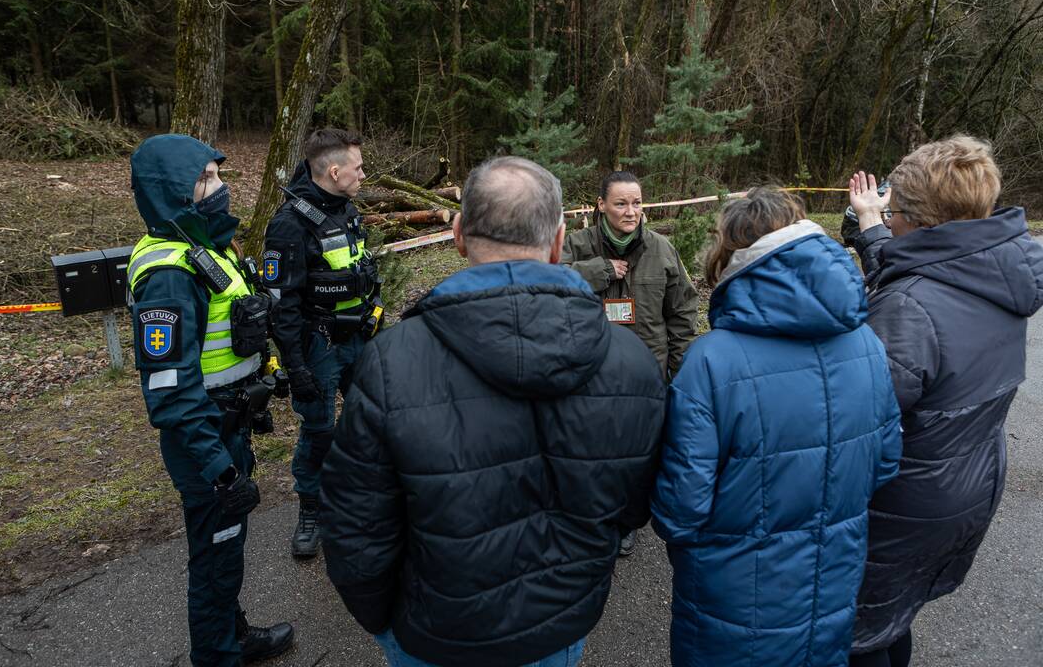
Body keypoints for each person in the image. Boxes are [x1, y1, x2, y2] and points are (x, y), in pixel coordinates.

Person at [318, 156, 666, 667]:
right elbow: (634, 505)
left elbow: (354, 523)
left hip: (436, 631)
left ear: (458, 233)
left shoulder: (391, 360)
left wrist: (384, 622)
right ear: (557, 240)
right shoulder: (631, 361)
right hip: (560, 620)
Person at [652, 187, 903, 667]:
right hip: (832, 580)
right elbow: (886, 463)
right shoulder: (868, 344)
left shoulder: (710, 362)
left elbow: (681, 510)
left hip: (731, 598)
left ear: (731, 255)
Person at [846, 135, 1043, 667]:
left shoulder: (909, 309)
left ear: (917, 219)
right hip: (967, 479)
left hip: (904, 499)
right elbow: (924, 269)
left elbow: (854, 422)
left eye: (897, 212)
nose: (890, 221)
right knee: (896, 614)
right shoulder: (995, 267)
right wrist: (867, 227)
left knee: (858, 630)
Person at [127, 134, 294, 666]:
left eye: (220, 176)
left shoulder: (206, 247)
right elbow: (170, 391)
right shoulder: (170, 276)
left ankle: (232, 633)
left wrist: (269, 373)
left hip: (229, 426)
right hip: (205, 443)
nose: (222, 188)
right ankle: (219, 655)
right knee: (215, 553)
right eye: (208, 179)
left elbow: (234, 332)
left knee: (225, 551)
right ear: (174, 191)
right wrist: (221, 471)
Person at [562, 170, 698, 556]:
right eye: (621, 203)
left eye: (636, 203)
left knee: (638, 455)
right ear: (600, 206)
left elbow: (683, 315)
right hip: (586, 372)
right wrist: (598, 271)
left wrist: (680, 373)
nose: (630, 211)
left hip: (646, 375)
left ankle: (625, 522)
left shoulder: (661, 249)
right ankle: (587, 518)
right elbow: (549, 283)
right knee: (587, 451)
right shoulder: (576, 245)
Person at [261, 126, 382, 558]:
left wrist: (376, 315)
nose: (364, 175)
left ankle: (361, 502)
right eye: (358, 167)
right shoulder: (289, 225)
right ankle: (311, 510)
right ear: (334, 171)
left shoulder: (346, 211)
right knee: (318, 432)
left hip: (360, 341)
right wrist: (295, 366)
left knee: (367, 422)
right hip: (318, 347)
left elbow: (364, 268)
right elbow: (280, 305)